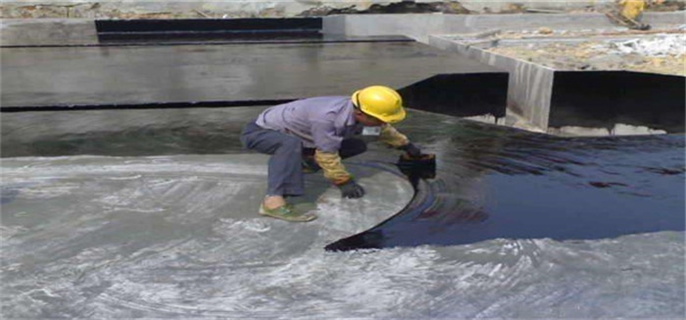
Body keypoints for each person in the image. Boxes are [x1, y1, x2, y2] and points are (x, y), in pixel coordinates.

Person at [240, 85, 428, 222]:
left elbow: (383, 130)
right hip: (261, 132)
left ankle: (303, 165)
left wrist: (407, 146)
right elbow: (327, 155)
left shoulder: (358, 109)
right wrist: (343, 181)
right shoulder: (327, 119)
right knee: (290, 145)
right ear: (361, 114)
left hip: (299, 134)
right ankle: (272, 202)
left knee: (357, 145)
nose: (382, 123)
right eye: (379, 119)